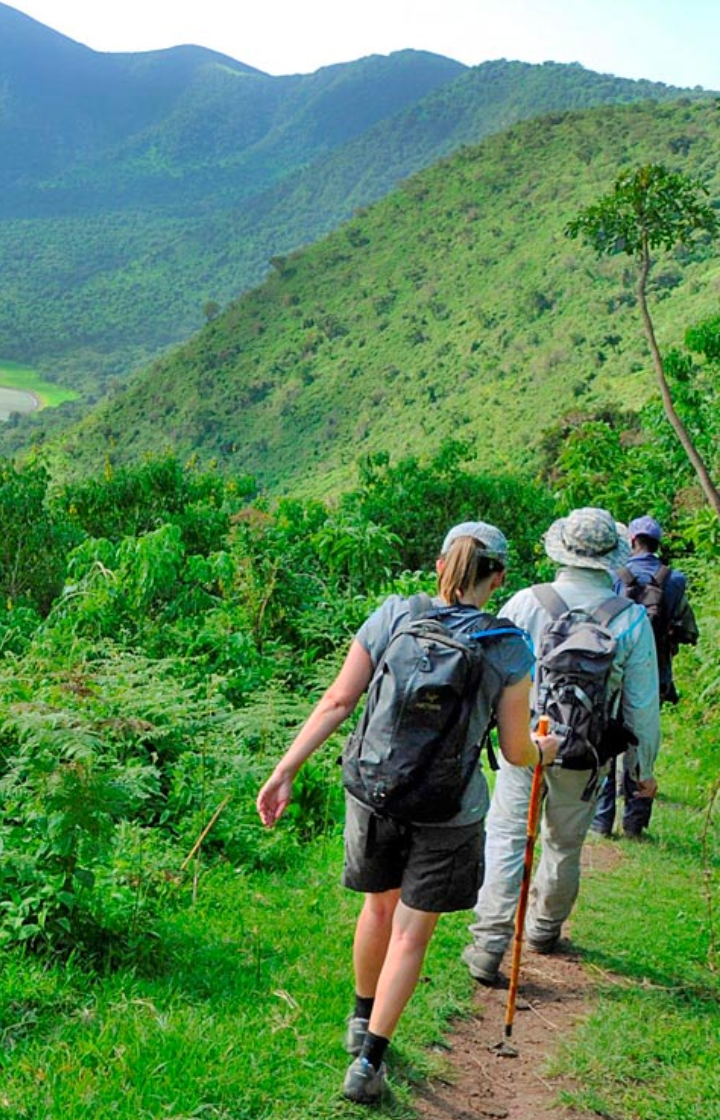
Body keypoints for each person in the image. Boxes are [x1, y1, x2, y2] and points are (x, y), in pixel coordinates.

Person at [256, 521, 558, 1105]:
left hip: (376, 793)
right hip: (450, 808)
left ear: (441, 563)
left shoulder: (394, 614)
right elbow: (517, 752)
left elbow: (339, 700)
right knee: (412, 933)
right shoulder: (509, 647)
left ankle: (358, 1017)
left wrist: (285, 769)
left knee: (377, 908)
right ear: (497, 578)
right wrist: (545, 749)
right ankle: (370, 1061)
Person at [463, 507, 660, 986]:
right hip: (584, 752)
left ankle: (489, 946)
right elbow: (641, 704)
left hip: (524, 743)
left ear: (561, 552)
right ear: (609, 557)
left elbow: (487, 675)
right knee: (564, 844)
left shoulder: (525, 603)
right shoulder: (630, 619)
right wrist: (641, 768)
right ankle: (544, 929)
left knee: (508, 836)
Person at [592, 514, 699, 839]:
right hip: (655, 671)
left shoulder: (615, 575)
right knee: (643, 739)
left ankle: (601, 820)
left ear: (632, 541)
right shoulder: (675, 579)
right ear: (657, 543)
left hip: (616, 666)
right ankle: (635, 823)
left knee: (608, 737)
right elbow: (687, 629)